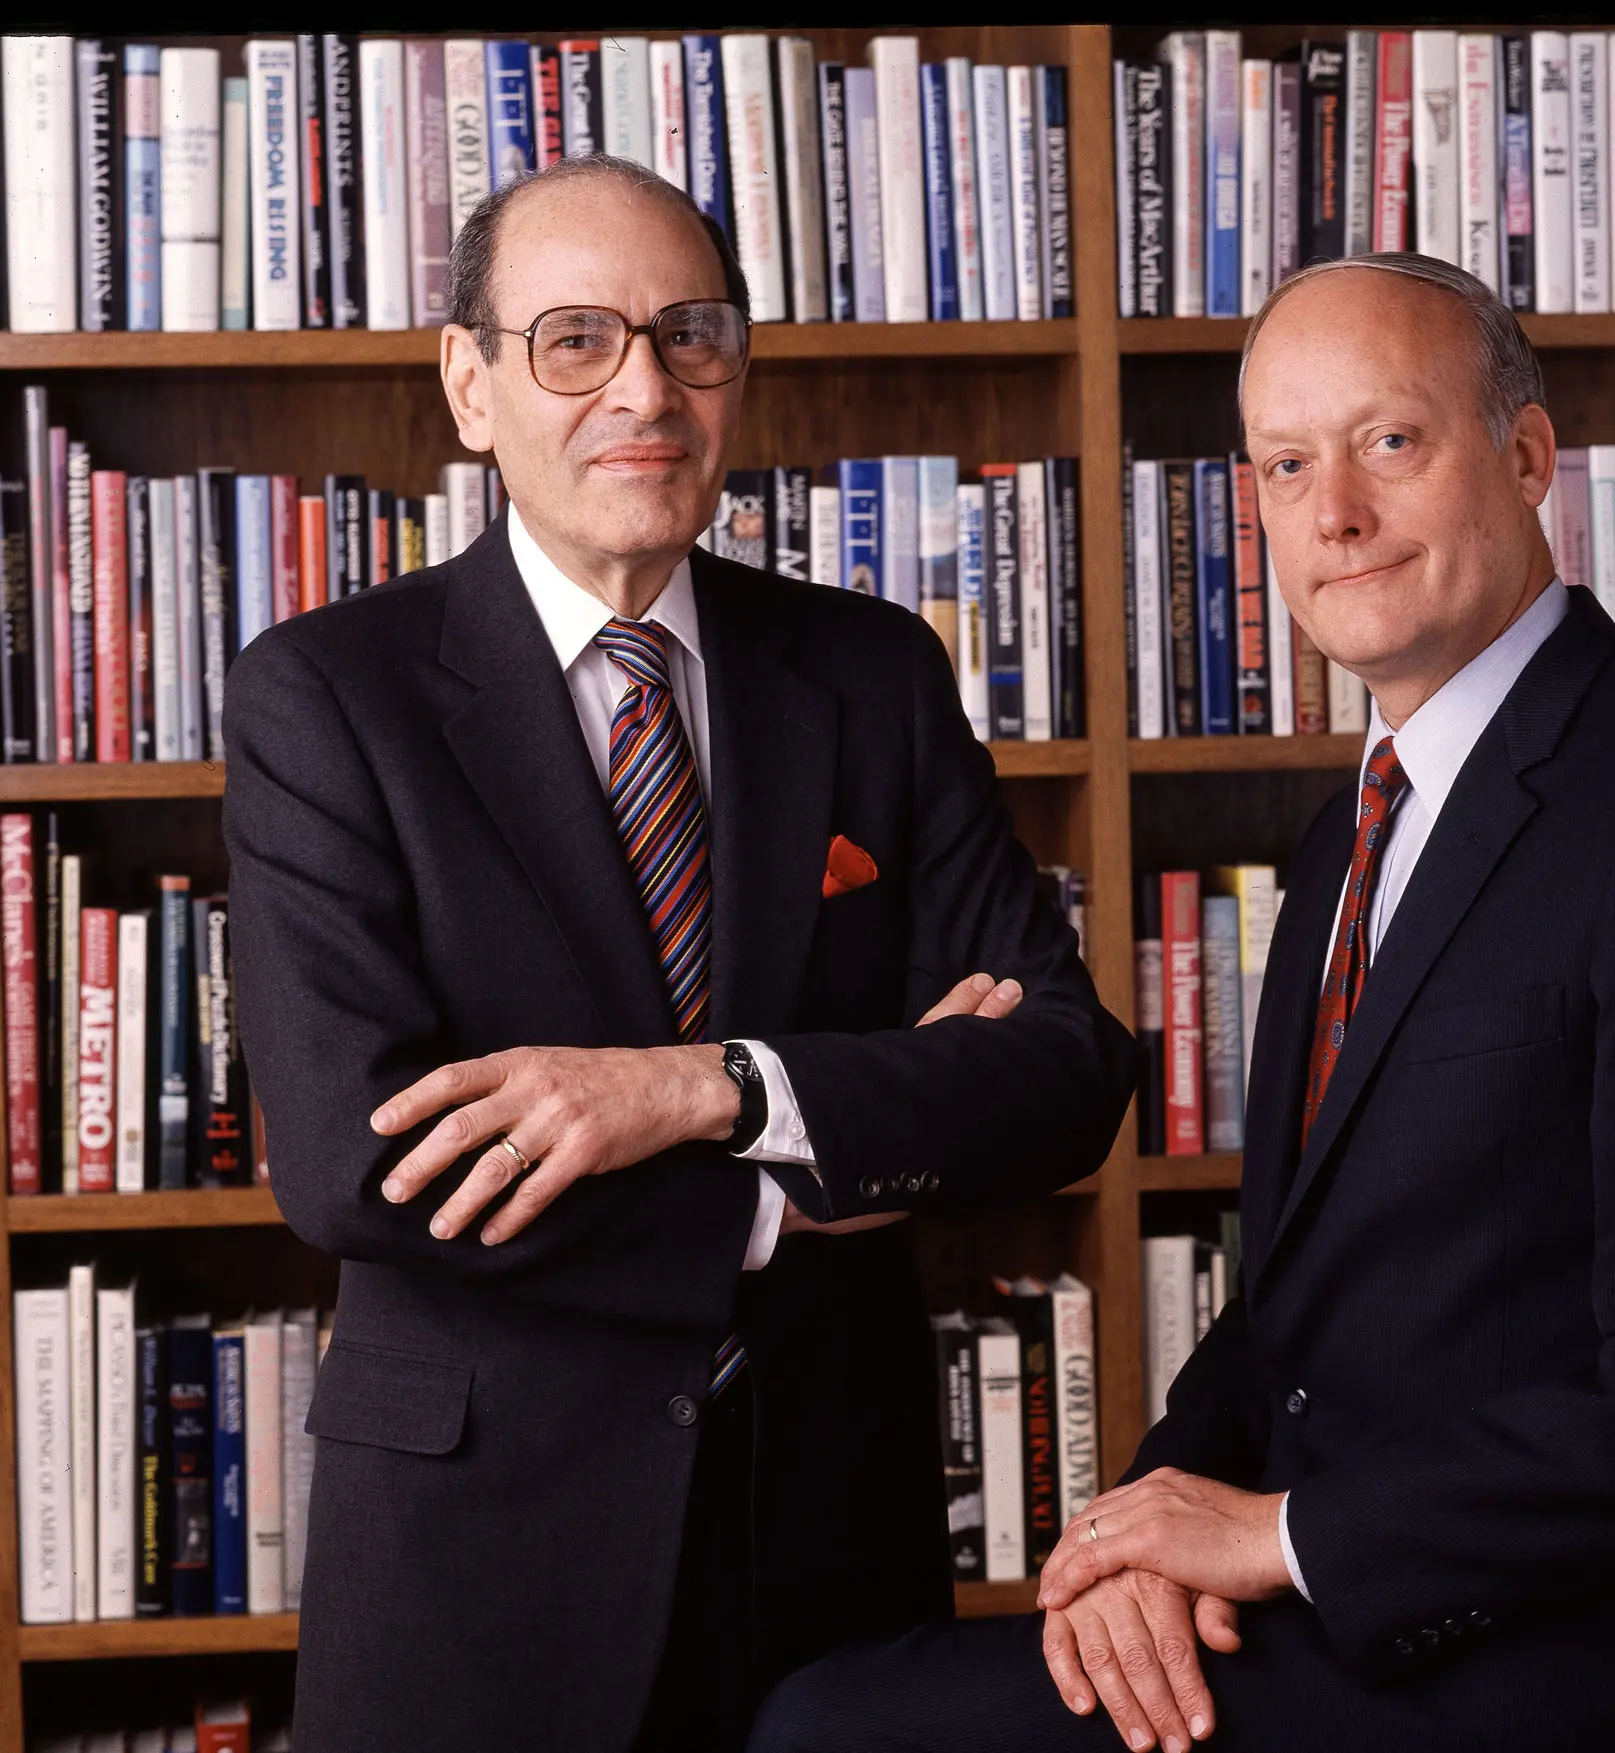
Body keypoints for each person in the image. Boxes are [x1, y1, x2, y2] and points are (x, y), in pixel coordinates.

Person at [749, 255, 1615, 1753]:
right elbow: (1290, 1316)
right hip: (1385, 1613)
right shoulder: (1351, 838)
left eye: (1390, 442)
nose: (1334, 514)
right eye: (1286, 464)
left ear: (1526, 457)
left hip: (1607, 1661)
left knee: (834, 1732)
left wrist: (1278, 1538)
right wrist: (1138, 1536)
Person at [223, 154, 1133, 1753]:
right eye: (576, 338)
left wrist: (707, 1090)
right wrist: (806, 1184)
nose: (643, 386)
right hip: (481, 1567)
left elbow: (1063, 1074)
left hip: (828, 1549)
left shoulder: (870, 674)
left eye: (689, 333)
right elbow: (356, 1163)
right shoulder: (329, 697)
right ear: (472, 384)